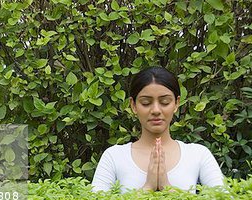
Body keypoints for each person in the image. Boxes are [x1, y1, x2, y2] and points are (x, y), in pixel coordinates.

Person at [91, 66, 224, 193]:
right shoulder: (114, 157)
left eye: (165, 102)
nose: (155, 110)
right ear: (133, 105)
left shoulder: (198, 155)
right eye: (146, 103)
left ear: (176, 103)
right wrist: (148, 187)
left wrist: (167, 187)